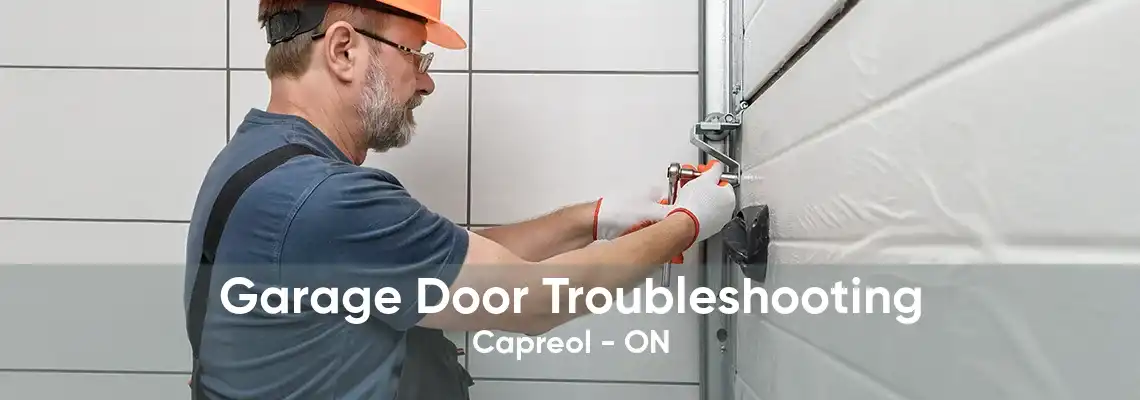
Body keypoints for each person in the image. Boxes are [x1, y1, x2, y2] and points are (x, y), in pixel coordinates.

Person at [182, 0, 738, 399]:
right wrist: (687, 222)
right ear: (344, 49)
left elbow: (444, 259)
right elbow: (531, 301)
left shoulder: (259, 159)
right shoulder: (324, 198)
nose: (426, 84)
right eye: (415, 56)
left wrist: (592, 220)